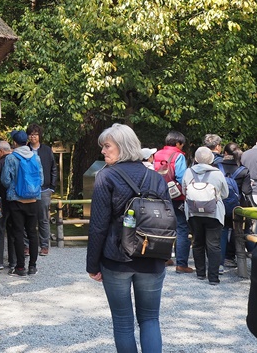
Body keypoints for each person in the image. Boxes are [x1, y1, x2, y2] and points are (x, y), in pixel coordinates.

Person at [87, 123, 167, 353]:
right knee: (150, 319)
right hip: (152, 256)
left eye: (107, 146)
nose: (103, 151)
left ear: (122, 146)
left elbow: (98, 226)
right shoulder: (156, 178)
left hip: (116, 259)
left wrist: (92, 265)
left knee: (123, 323)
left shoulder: (106, 177)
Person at [182, 147, 229, 285]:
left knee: (197, 242)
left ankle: (200, 273)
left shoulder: (188, 172)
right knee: (214, 245)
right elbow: (225, 194)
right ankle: (213, 278)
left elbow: (185, 191)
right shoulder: (218, 174)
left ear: (196, 159)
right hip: (214, 213)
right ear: (212, 159)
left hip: (193, 212)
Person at [0, 130, 40, 276]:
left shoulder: (11, 158)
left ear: (15, 143)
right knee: (32, 233)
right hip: (33, 199)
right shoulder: (36, 157)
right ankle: (33, 266)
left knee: (18, 233)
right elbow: (40, 178)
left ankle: (20, 267)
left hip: (16, 200)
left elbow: (5, 180)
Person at [154, 131, 191, 273]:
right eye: (182, 144)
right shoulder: (178, 156)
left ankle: (164, 258)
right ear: (177, 143)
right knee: (181, 228)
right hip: (176, 197)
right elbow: (182, 177)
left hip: (158, 195)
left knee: (163, 226)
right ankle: (181, 264)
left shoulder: (156, 154)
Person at [27, 124, 58, 256]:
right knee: (27, 218)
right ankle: (26, 246)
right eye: (31, 134)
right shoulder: (25, 150)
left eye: (35, 134)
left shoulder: (46, 150)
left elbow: (53, 168)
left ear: (39, 136)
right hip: (27, 190)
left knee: (43, 219)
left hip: (44, 189)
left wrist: (52, 187)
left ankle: (44, 245)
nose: (33, 136)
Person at [0, 141, 13, 272]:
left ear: (0, 151)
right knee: (14, 230)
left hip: (1, 201)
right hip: (16, 201)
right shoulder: (18, 161)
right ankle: (13, 261)